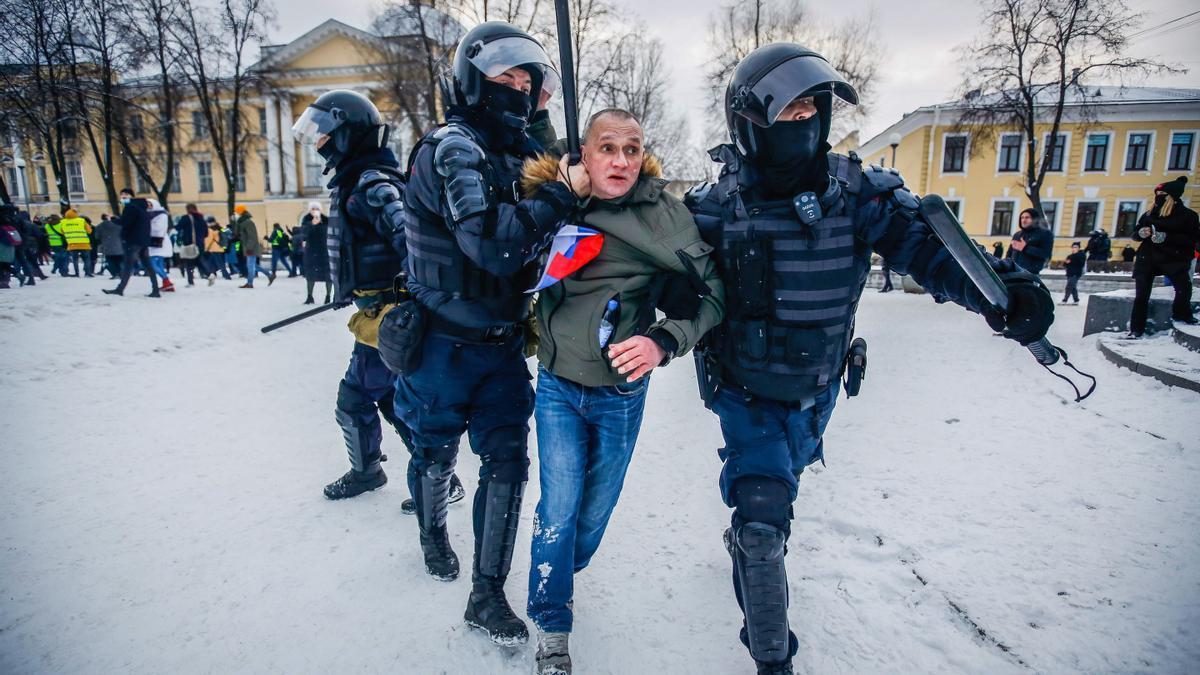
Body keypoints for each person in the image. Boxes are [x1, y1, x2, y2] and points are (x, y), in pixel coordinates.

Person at [684, 43, 1054, 674]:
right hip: (746, 390)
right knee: (764, 518)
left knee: (780, 491)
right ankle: (773, 658)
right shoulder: (715, 208)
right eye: (786, 110)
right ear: (750, 123)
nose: (801, 122)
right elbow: (653, 264)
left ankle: (753, 535)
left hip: (817, 389)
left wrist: (1000, 291)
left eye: (811, 108)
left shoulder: (856, 194)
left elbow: (927, 250)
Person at [376, 21, 569, 647]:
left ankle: (487, 592)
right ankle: (433, 531)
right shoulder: (453, 147)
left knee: (509, 462)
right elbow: (490, 244)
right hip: (441, 344)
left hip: (504, 343)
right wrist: (555, 201)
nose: (517, 88)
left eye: (527, 80)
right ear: (471, 80)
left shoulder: (519, 154)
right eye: (505, 77)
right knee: (434, 453)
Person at [521, 109, 726, 673]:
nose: (620, 160)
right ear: (583, 155)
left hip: (619, 395)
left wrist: (664, 340)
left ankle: (560, 570)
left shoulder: (662, 216)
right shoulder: (557, 200)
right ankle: (553, 624)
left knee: (590, 520)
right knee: (558, 511)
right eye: (606, 148)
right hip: (558, 386)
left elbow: (713, 296)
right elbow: (501, 253)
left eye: (631, 149)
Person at [290, 89, 467, 511]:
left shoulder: (372, 184)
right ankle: (435, 478)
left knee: (356, 398)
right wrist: (351, 287)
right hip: (378, 313)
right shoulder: (359, 180)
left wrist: (406, 301)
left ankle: (377, 472)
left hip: (389, 316)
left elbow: (413, 244)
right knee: (389, 398)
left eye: (324, 134)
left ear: (346, 134)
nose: (318, 144)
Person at [1127, 176, 1199, 338]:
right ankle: (1136, 328)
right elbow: (1135, 233)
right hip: (1148, 258)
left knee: (1183, 288)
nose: (1158, 196)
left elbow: (1192, 239)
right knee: (1141, 296)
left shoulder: (1188, 216)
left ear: (1172, 196)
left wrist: (1165, 237)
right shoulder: (1149, 213)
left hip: (1173, 258)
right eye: (1157, 192)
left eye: (1162, 193)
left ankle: (1182, 314)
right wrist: (1140, 233)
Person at [104, 188, 159, 297]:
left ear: (131, 196)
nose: (123, 197)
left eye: (126, 195)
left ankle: (120, 289)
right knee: (148, 266)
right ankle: (155, 290)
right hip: (143, 241)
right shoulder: (143, 208)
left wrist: (113, 219)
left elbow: (125, 222)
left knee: (128, 266)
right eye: (122, 195)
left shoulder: (130, 207)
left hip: (133, 240)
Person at [299, 202, 331, 305]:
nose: (314, 210)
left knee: (328, 275)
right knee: (310, 275)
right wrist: (311, 224)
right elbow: (303, 235)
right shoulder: (306, 220)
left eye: (316, 208)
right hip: (311, 252)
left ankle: (328, 296)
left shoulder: (326, 220)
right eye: (312, 208)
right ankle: (309, 296)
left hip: (325, 252)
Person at [232, 205, 272, 288]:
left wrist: (249, 248)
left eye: (236, 212)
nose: (235, 214)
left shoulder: (248, 222)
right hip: (248, 247)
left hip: (251, 248)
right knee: (252, 265)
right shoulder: (242, 222)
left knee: (250, 266)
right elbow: (242, 235)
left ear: (240, 213)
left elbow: (252, 236)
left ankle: (250, 283)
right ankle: (270, 275)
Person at [1009, 207, 1054, 275]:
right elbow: (1009, 253)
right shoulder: (1017, 235)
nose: (1024, 220)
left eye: (1027, 217)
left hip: (1031, 274)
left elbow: (1046, 254)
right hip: (1013, 272)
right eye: (1022, 217)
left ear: (1034, 219)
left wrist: (1025, 248)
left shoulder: (1045, 234)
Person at [146, 199, 176, 293]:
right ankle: (166, 284)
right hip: (154, 242)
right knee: (158, 265)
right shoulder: (150, 214)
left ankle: (167, 282)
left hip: (159, 242)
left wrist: (147, 225)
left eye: (150, 204)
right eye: (147, 204)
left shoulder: (161, 215)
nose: (149, 206)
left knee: (153, 264)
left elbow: (158, 228)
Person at [177, 204, 210, 286]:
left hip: (190, 243)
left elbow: (178, 227)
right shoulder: (202, 219)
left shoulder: (186, 218)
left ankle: (190, 281)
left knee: (189, 263)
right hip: (200, 244)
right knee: (198, 262)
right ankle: (210, 275)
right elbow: (206, 234)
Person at [58, 208, 94, 277]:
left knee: (75, 259)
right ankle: (88, 273)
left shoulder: (63, 222)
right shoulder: (81, 220)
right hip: (84, 243)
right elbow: (89, 231)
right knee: (86, 258)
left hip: (72, 244)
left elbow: (61, 231)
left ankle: (77, 273)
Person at [95, 214, 124, 279]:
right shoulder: (119, 226)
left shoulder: (99, 226)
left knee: (110, 261)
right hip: (119, 246)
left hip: (107, 247)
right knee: (120, 261)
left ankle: (115, 274)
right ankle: (121, 274)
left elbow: (97, 237)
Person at [204, 218, 230, 282]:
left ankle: (226, 275)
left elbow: (209, 240)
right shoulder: (219, 227)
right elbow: (228, 232)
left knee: (219, 263)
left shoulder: (210, 229)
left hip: (214, 248)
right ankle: (212, 273)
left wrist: (206, 248)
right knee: (211, 262)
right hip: (220, 247)